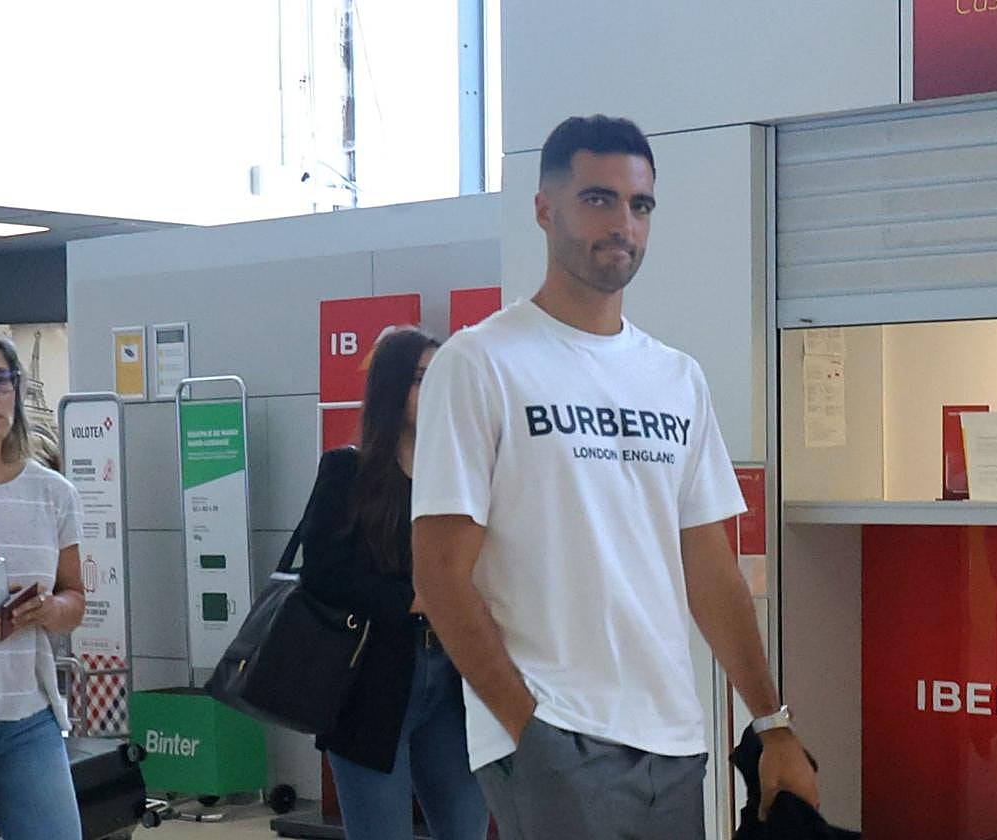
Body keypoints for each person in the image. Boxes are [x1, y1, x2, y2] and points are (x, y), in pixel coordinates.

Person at [411, 115, 820, 838]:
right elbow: (441, 576)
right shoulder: (481, 364)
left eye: (640, 205)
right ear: (545, 209)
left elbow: (710, 570)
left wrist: (772, 723)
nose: (622, 224)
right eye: (599, 199)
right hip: (554, 731)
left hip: (674, 738)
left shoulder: (676, 378)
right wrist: (525, 724)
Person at [298, 327, 489, 840]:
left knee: (466, 825)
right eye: (422, 380)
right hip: (370, 680)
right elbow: (321, 573)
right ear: (391, 388)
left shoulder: (462, 478)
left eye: (443, 380)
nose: (436, 394)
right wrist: (414, 599)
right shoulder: (348, 471)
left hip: (450, 675)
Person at [0, 325, 86, 840]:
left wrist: (51, 610)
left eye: (3, 379)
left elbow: (75, 597)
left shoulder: (53, 493)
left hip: (26, 716)